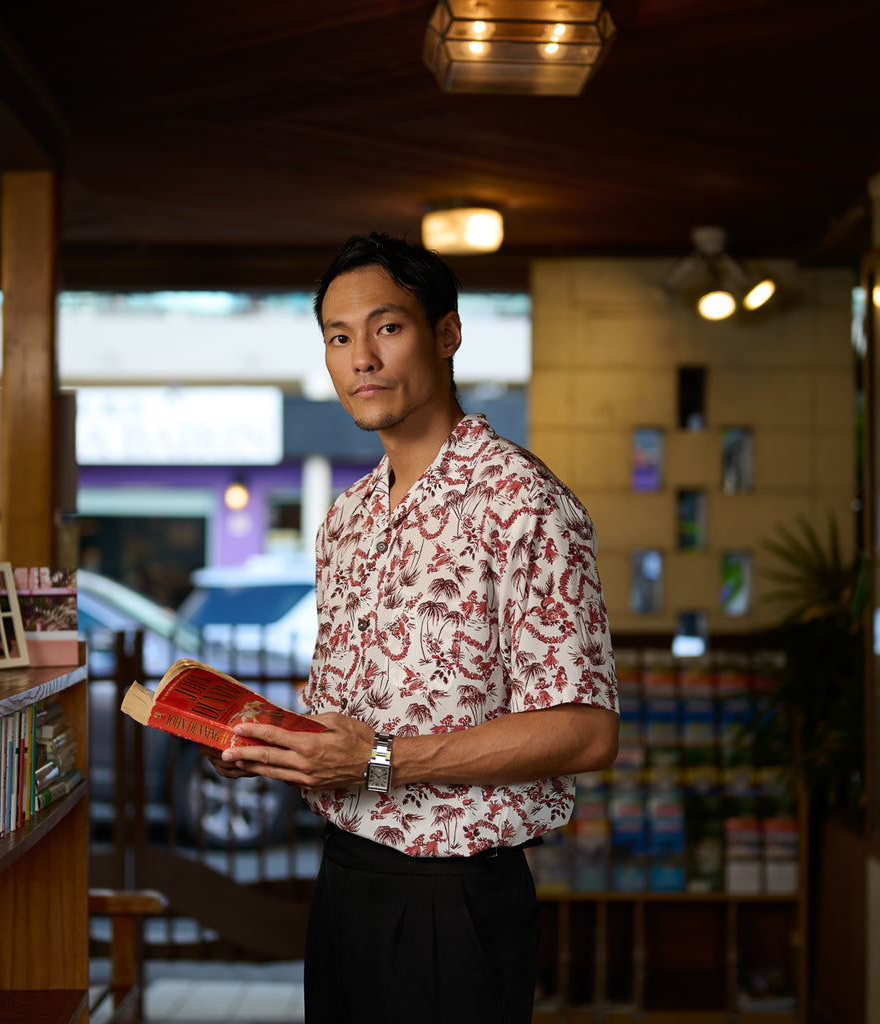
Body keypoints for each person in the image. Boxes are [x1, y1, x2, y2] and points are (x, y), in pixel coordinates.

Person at [211, 232, 619, 1023]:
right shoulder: (346, 519)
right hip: (343, 883)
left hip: (455, 902)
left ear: (447, 334)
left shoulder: (521, 500)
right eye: (338, 338)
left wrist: (380, 760)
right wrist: (275, 747)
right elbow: (356, 722)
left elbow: (588, 731)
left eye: (387, 328)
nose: (361, 358)